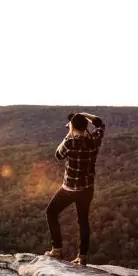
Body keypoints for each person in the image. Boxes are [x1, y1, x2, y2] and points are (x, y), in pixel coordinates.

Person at [44, 112, 105, 265]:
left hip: (69, 189)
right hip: (87, 189)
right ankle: (82, 256)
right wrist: (83, 115)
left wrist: (68, 134)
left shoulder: (69, 142)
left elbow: (58, 155)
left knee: (51, 212)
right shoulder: (94, 140)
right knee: (83, 220)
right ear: (85, 126)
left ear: (72, 127)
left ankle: (57, 249)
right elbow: (100, 123)